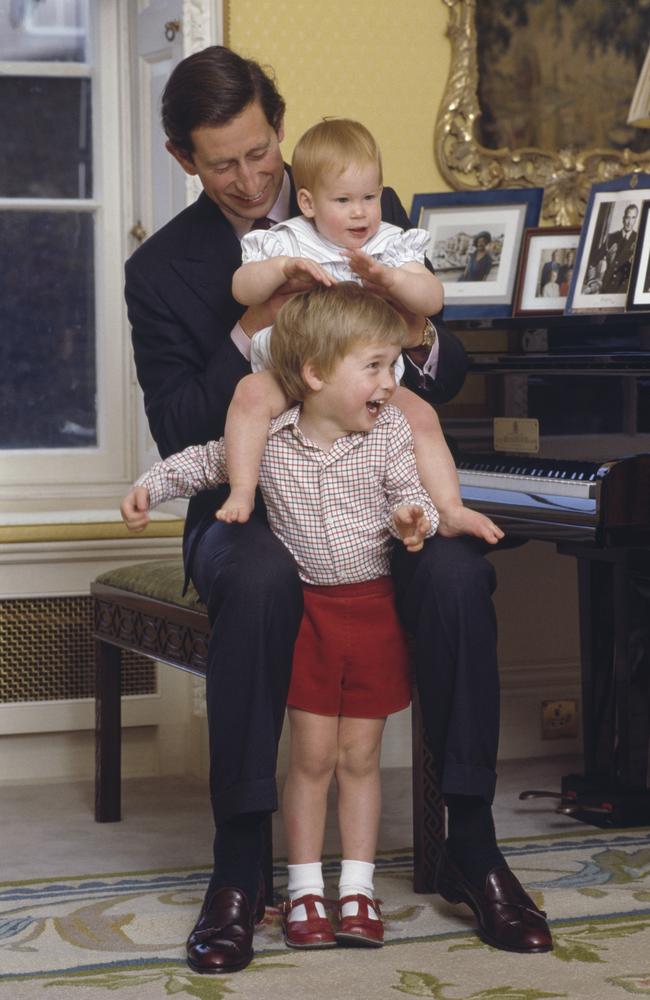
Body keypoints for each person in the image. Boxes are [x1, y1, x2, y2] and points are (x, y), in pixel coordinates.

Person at [124, 45, 552, 974]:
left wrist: (414, 320)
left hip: (376, 488)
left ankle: (472, 847)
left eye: (260, 152)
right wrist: (255, 322)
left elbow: (450, 367)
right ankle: (242, 866)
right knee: (264, 581)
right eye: (221, 162)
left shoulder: (363, 211)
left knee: (453, 573)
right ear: (182, 159)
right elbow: (178, 434)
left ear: (279, 131)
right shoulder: (163, 271)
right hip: (255, 509)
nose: (248, 179)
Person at [122, 283, 439, 951]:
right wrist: (149, 485)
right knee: (313, 757)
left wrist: (417, 518)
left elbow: (412, 492)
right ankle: (303, 891)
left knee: (361, 756)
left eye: (393, 365)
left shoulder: (387, 436)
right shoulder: (268, 438)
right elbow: (203, 461)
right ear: (318, 373)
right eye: (376, 366)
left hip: (371, 610)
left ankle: (356, 887)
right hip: (311, 618)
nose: (392, 382)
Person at [220, 118, 482, 537]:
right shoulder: (287, 241)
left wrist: (392, 280)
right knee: (249, 396)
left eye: (370, 196)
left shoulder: (387, 243)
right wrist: (281, 270)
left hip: (367, 380)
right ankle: (242, 492)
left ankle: (449, 508)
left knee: (423, 418)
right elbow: (241, 288)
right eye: (343, 200)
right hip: (294, 376)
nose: (360, 211)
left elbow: (432, 299)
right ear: (308, 203)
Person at [598, 203, 639, 294]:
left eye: (633, 218)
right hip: (606, 286)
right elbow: (597, 259)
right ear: (623, 218)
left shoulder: (639, 239)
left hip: (624, 289)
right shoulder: (611, 237)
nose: (629, 222)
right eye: (628, 217)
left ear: (636, 219)